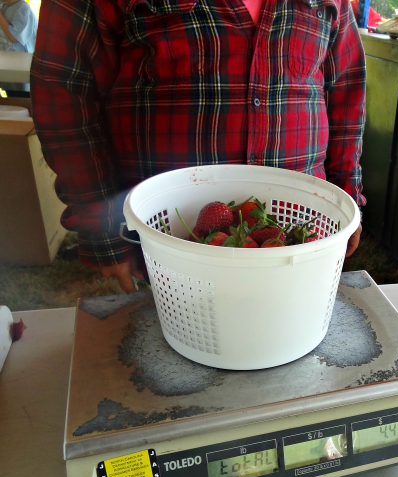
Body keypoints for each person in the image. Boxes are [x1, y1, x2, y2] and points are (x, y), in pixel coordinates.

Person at [31, 0, 365, 293]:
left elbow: (347, 92)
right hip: (167, 239)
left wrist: (348, 199)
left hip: (298, 238)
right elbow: (65, 94)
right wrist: (102, 230)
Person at [0, 0, 37, 97]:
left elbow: (14, 37)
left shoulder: (23, 9)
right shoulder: (4, 6)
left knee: (21, 99)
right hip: (7, 67)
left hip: (21, 70)